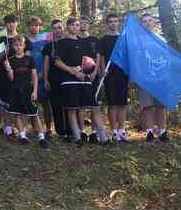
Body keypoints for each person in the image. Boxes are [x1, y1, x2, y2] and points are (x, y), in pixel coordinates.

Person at [54, 17, 108, 145]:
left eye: (77, 25)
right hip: (68, 81)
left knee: (94, 107)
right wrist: (71, 71)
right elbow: (57, 61)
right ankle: (77, 137)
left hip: (84, 80)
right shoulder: (62, 42)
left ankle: (103, 138)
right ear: (67, 27)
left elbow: (90, 61)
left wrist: (86, 72)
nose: (75, 27)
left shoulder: (85, 43)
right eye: (72, 25)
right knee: (72, 109)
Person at [3, 36, 48, 148]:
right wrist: (8, 69)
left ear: (24, 46)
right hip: (15, 90)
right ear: (13, 47)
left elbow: (34, 76)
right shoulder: (11, 60)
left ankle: (41, 138)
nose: (18, 47)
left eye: (20, 45)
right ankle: (22, 136)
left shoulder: (30, 59)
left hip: (28, 89)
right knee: (17, 113)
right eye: (15, 45)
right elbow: (11, 78)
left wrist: (35, 91)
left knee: (34, 114)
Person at [98, 13, 130, 143]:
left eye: (115, 21)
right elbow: (101, 57)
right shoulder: (103, 39)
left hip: (122, 74)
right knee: (112, 104)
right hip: (109, 74)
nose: (113, 23)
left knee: (122, 103)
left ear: (119, 23)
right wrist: (102, 70)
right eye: (110, 21)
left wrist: (129, 73)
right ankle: (114, 131)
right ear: (107, 23)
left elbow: (128, 57)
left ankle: (122, 130)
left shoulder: (123, 38)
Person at [139, 13, 169, 142]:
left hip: (160, 78)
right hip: (144, 78)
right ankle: (149, 133)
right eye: (144, 21)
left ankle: (162, 133)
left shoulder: (161, 40)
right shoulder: (137, 40)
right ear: (141, 24)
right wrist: (133, 78)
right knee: (147, 107)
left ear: (154, 23)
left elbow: (168, 58)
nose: (147, 23)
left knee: (161, 106)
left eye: (149, 21)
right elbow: (135, 60)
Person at [0, 14, 20, 137]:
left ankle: (20, 129)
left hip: (19, 76)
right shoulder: (1, 40)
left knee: (17, 102)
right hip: (4, 76)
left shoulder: (21, 39)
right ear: (5, 24)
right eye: (8, 22)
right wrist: (4, 52)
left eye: (13, 22)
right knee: (5, 103)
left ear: (17, 23)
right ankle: (8, 129)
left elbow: (28, 57)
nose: (11, 24)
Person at [26, 16, 53, 137]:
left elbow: (50, 58)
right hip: (31, 78)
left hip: (44, 76)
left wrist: (43, 75)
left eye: (36, 25)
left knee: (46, 104)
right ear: (28, 27)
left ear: (41, 27)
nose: (34, 27)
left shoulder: (46, 39)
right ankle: (36, 129)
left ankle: (48, 129)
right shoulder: (25, 41)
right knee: (33, 104)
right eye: (32, 25)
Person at [43, 19, 68, 138]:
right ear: (51, 30)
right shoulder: (49, 46)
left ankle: (71, 130)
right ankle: (60, 131)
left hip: (68, 77)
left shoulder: (69, 42)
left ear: (63, 28)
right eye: (54, 28)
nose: (57, 30)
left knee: (68, 105)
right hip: (54, 79)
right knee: (56, 105)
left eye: (59, 27)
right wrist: (46, 79)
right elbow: (46, 63)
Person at [78, 15, 100, 142]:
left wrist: (95, 73)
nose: (84, 25)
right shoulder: (75, 39)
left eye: (86, 23)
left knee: (94, 104)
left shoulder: (95, 40)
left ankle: (93, 132)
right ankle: (81, 132)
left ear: (89, 25)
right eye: (81, 23)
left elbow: (98, 58)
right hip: (78, 76)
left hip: (92, 76)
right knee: (80, 105)